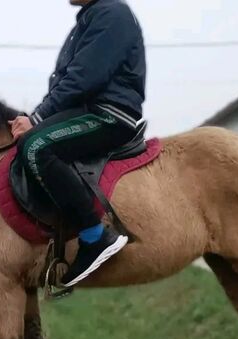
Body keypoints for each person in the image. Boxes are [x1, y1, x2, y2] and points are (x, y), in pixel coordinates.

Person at [9, 0, 146, 287]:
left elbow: (85, 77)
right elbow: (68, 83)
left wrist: (38, 117)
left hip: (107, 113)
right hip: (88, 109)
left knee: (36, 146)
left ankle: (95, 235)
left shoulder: (111, 13)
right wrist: (37, 116)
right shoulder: (90, 17)